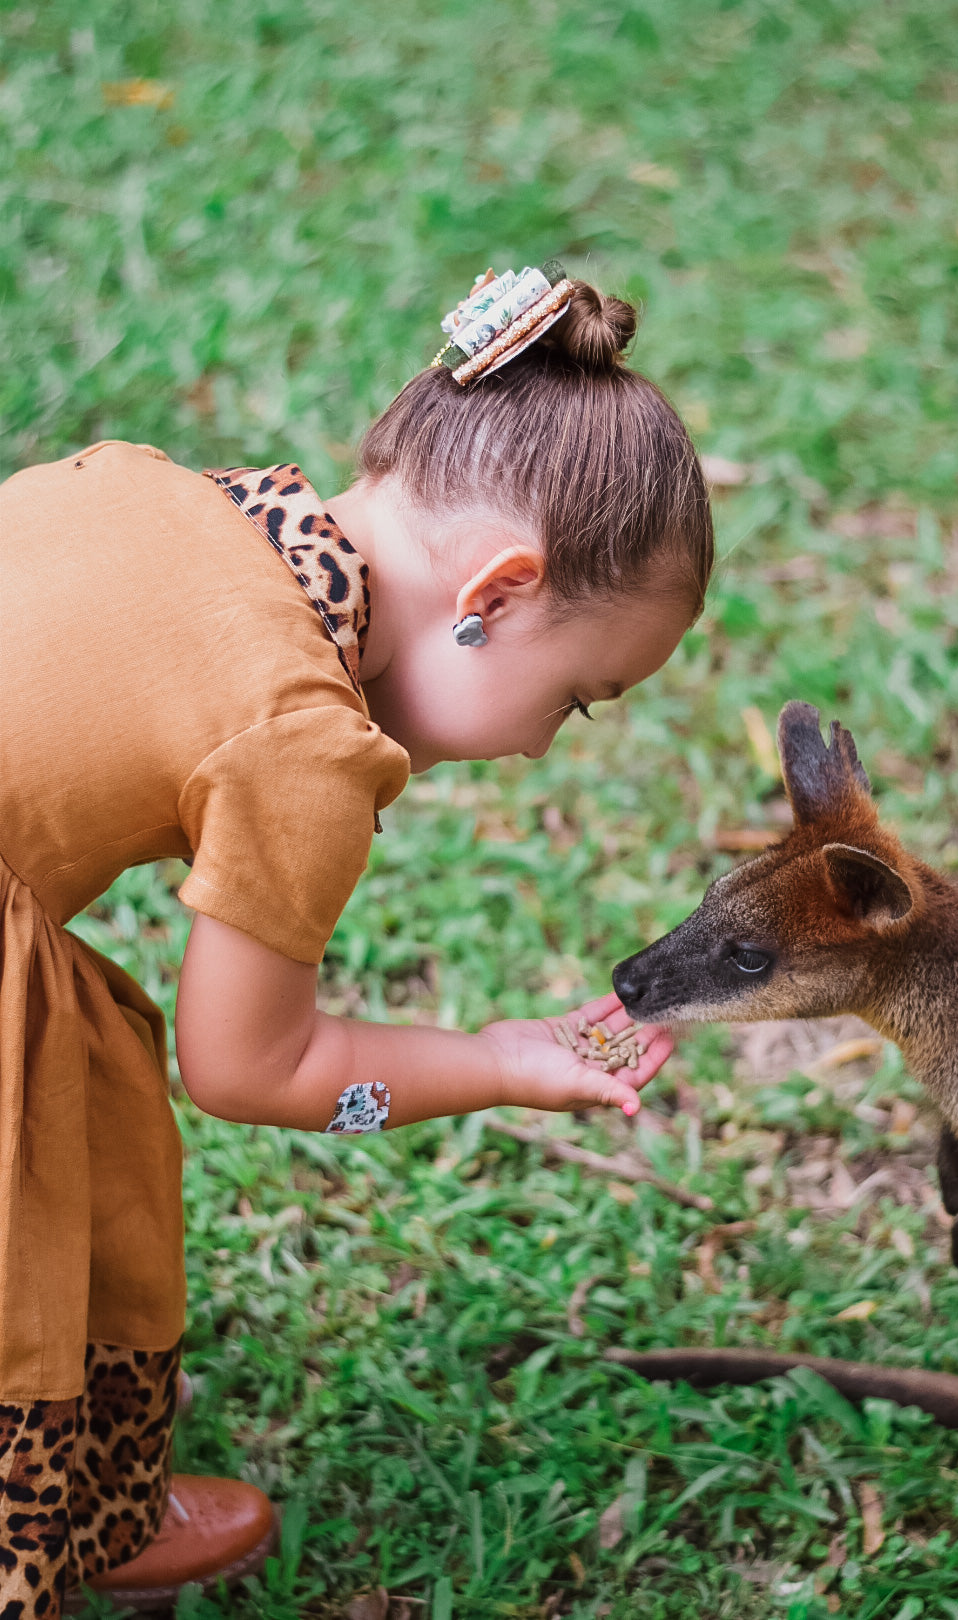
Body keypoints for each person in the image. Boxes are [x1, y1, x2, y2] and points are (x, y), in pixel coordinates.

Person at [0, 262, 713, 1615]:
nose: (535, 748)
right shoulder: (302, 742)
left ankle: (84, 1497)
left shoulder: (154, 487)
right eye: (575, 701)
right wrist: (499, 1060)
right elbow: (252, 1069)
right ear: (495, 594)